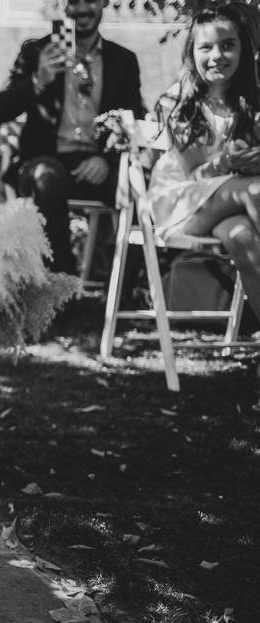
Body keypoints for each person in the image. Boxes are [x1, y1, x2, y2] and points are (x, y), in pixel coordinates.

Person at [0, 0, 145, 275]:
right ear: (63, 6)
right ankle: (62, 281)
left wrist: (107, 159)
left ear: (104, 3)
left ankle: (122, 288)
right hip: (43, 163)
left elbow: (133, 120)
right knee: (47, 176)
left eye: (91, 1)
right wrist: (39, 79)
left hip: (96, 163)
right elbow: (0, 111)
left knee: (136, 184)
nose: (82, 9)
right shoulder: (36, 52)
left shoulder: (123, 61)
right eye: (74, 2)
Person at [148, 5, 260, 358]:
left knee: (240, 236)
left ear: (243, 50)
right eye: (206, 47)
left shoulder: (250, 101)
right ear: (191, 52)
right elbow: (196, 174)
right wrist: (228, 162)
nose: (217, 56)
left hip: (227, 204)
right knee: (252, 189)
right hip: (180, 202)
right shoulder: (178, 101)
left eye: (228, 45)